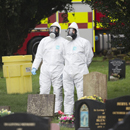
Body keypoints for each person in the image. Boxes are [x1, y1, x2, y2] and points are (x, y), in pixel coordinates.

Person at [31, 22, 66, 113]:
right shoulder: (44, 41)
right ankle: (43, 110)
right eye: (51, 29)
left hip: (58, 70)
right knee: (43, 90)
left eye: (56, 29)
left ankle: (56, 111)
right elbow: (39, 56)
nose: (53, 31)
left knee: (57, 92)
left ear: (59, 30)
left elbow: (67, 57)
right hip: (45, 70)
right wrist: (35, 66)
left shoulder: (63, 42)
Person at [63, 22, 94, 115]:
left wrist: (83, 67)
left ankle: (82, 113)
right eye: (69, 30)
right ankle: (68, 114)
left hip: (80, 71)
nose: (70, 32)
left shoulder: (84, 42)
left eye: (72, 30)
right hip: (67, 71)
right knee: (68, 93)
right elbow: (63, 56)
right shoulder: (65, 43)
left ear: (76, 31)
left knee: (81, 92)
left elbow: (90, 56)